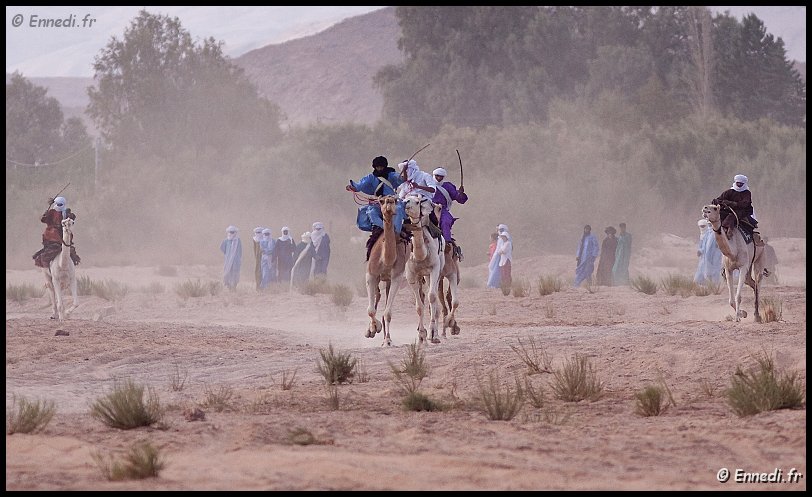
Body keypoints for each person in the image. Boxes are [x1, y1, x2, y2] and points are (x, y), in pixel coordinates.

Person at [346, 155, 405, 259]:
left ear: (385, 166)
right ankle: (383, 228)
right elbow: (359, 185)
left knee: (399, 209)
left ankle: (396, 232)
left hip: (391, 200)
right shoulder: (370, 177)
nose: (380, 169)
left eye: (381, 167)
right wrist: (353, 187)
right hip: (378, 201)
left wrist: (404, 174)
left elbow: (400, 179)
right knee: (370, 211)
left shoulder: (391, 175)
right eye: (378, 167)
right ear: (374, 167)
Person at [430, 167, 468, 261]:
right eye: (437, 176)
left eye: (441, 176)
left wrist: (461, 194)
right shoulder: (428, 183)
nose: (438, 178)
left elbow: (459, 199)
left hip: (442, 210)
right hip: (428, 208)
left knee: (446, 221)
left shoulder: (448, 186)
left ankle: (447, 242)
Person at [711, 174, 762, 244]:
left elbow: (744, 204)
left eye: (741, 183)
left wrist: (731, 203)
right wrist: (721, 202)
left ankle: (729, 230)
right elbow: (718, 200)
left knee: (731, 216)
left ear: (744, 183)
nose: (739, 185)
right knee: (720, 214)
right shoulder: (729, 191)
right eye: (738, 183)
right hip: (729, 209)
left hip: (743, 211)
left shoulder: (747, 193)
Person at [33, 196, 81, 268]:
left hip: (63, 233)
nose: (59, 206)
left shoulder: (66, 212)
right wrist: (45, 214)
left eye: (60, 204)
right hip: (52, 235)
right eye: (57, 204)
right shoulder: (51, 212)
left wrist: (69, 217)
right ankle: (47, 268)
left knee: (70, 251)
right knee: (49, 251)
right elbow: (43, 220)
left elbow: (71, 219)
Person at [694, 219, 722, 286]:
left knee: (714, 271)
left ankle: (714, 286)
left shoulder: (714, 234)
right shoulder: (707, 234)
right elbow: (705, 246)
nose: (702, 228)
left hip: (714, 256)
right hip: (705, 257)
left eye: (704, 226)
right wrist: (700, 251)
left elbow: (711, 247)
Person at [220, 225, 242, 291]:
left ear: (235, 232)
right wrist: (228, 255)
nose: (231, 233)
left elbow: (240, 251)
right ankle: (229, 287)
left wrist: (237, 258)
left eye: (232, 232)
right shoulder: (226, 241)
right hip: (228, 261)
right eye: (230, 232)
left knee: (235, 274)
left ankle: (234, 287)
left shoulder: (238, 241)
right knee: (227, 273)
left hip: (236, 261)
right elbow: (222, 248)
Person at [496, 231, 513, 295]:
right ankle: (505, 286)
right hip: (502, 260)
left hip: (507, 260)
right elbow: (499, 251)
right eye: (502, 237)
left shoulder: (508, 243)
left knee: (507, 274)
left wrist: (500, 251)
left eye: (503, 237)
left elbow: (503, 251)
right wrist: (500, 251)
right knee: (503, 274)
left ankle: (508, 285)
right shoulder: (503, 244)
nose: (503, 238)